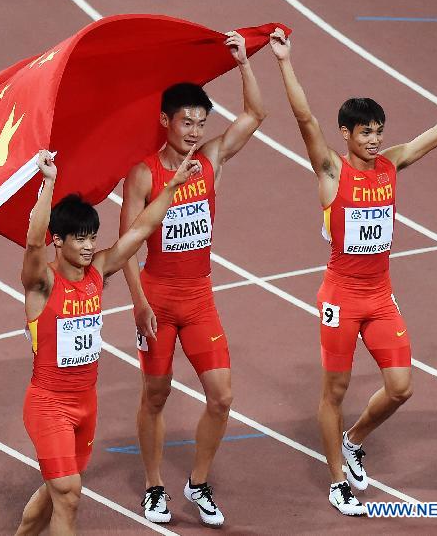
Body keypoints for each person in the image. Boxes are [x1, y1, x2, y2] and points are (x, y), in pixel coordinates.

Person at [268, 27, 437, 515]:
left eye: (379, 131)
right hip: (340, 296)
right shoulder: (331, 172)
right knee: (333, 392)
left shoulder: (392, 164)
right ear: (347, 135)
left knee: (402, 386)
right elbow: (303, 116)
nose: (376, 140)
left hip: (380, 296)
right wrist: (285, 62)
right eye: (367, 133)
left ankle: (354, 441)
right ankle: (338, 480)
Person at [119, 30, 266, 526]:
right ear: (165, 121)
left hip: (200, 299)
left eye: (203, 123)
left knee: (222, 396)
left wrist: (244, 62)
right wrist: (138, 304)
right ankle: (154, 486)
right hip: (157, 299)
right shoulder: (142, 175)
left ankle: (198, 482)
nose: (195, 131)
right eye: (187, 122)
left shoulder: (210, 161)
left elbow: (254, 116)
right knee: (155, 396)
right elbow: (126, 248)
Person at [15, 149, 201, 535]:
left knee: (56, 493)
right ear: (59, 240)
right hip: (49, 405)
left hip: (86, 403)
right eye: (79, 239)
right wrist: (47, 184)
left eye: (91, 238)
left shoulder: (98, 270)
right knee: (69, 493)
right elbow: (33, 245)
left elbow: (141, 229)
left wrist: (173, 186)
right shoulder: (42, 283)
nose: (87, 246)